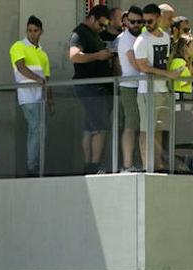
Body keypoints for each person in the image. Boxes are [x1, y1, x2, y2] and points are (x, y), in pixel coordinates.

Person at [133, 4, 181, 171]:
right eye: (144, 21)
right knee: (146, 131)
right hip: (147, 91)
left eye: (150, 20)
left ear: (158, 18)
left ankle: (158, 165)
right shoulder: (141, 40)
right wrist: (169, 74)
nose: (146, 23)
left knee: (159, 129)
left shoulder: (165, 37)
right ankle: (147, 167)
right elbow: (143, 67)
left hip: (163, 90)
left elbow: (165, 61)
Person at [70, 5, 116, 173]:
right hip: (89, 87)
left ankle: (89, 165)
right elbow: (74, 56)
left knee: (90, 126)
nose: (102, 28)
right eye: (100, 24)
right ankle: (94, 165)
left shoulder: (93, 34)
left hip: (97, 88)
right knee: (101, 126)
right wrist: (98, 55)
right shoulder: (80, 33)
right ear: (91, 18)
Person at [10, 16, 51, 176]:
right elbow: (20, 67)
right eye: (29, 31)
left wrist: (50, 100)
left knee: (41, 130)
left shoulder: (43, 53)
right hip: (26, 96)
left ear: (41, 32)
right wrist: (37, 79)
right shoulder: (18, 46)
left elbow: (47, 80)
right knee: (35, 128)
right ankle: (32, 167)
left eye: (35, 31)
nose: (32, 34)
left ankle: (37, 166)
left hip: (40, 98)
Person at [117, 7, 146, 171]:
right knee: (131, 125)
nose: (136, 24)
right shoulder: (125, 39)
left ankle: (138, 162)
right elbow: (136, 64)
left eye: (139, 22)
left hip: (141, 86)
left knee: (140, 126)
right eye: (133, 21)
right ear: (126, 21)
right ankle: (127, 165)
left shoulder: (142, 36)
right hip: (129, 86)